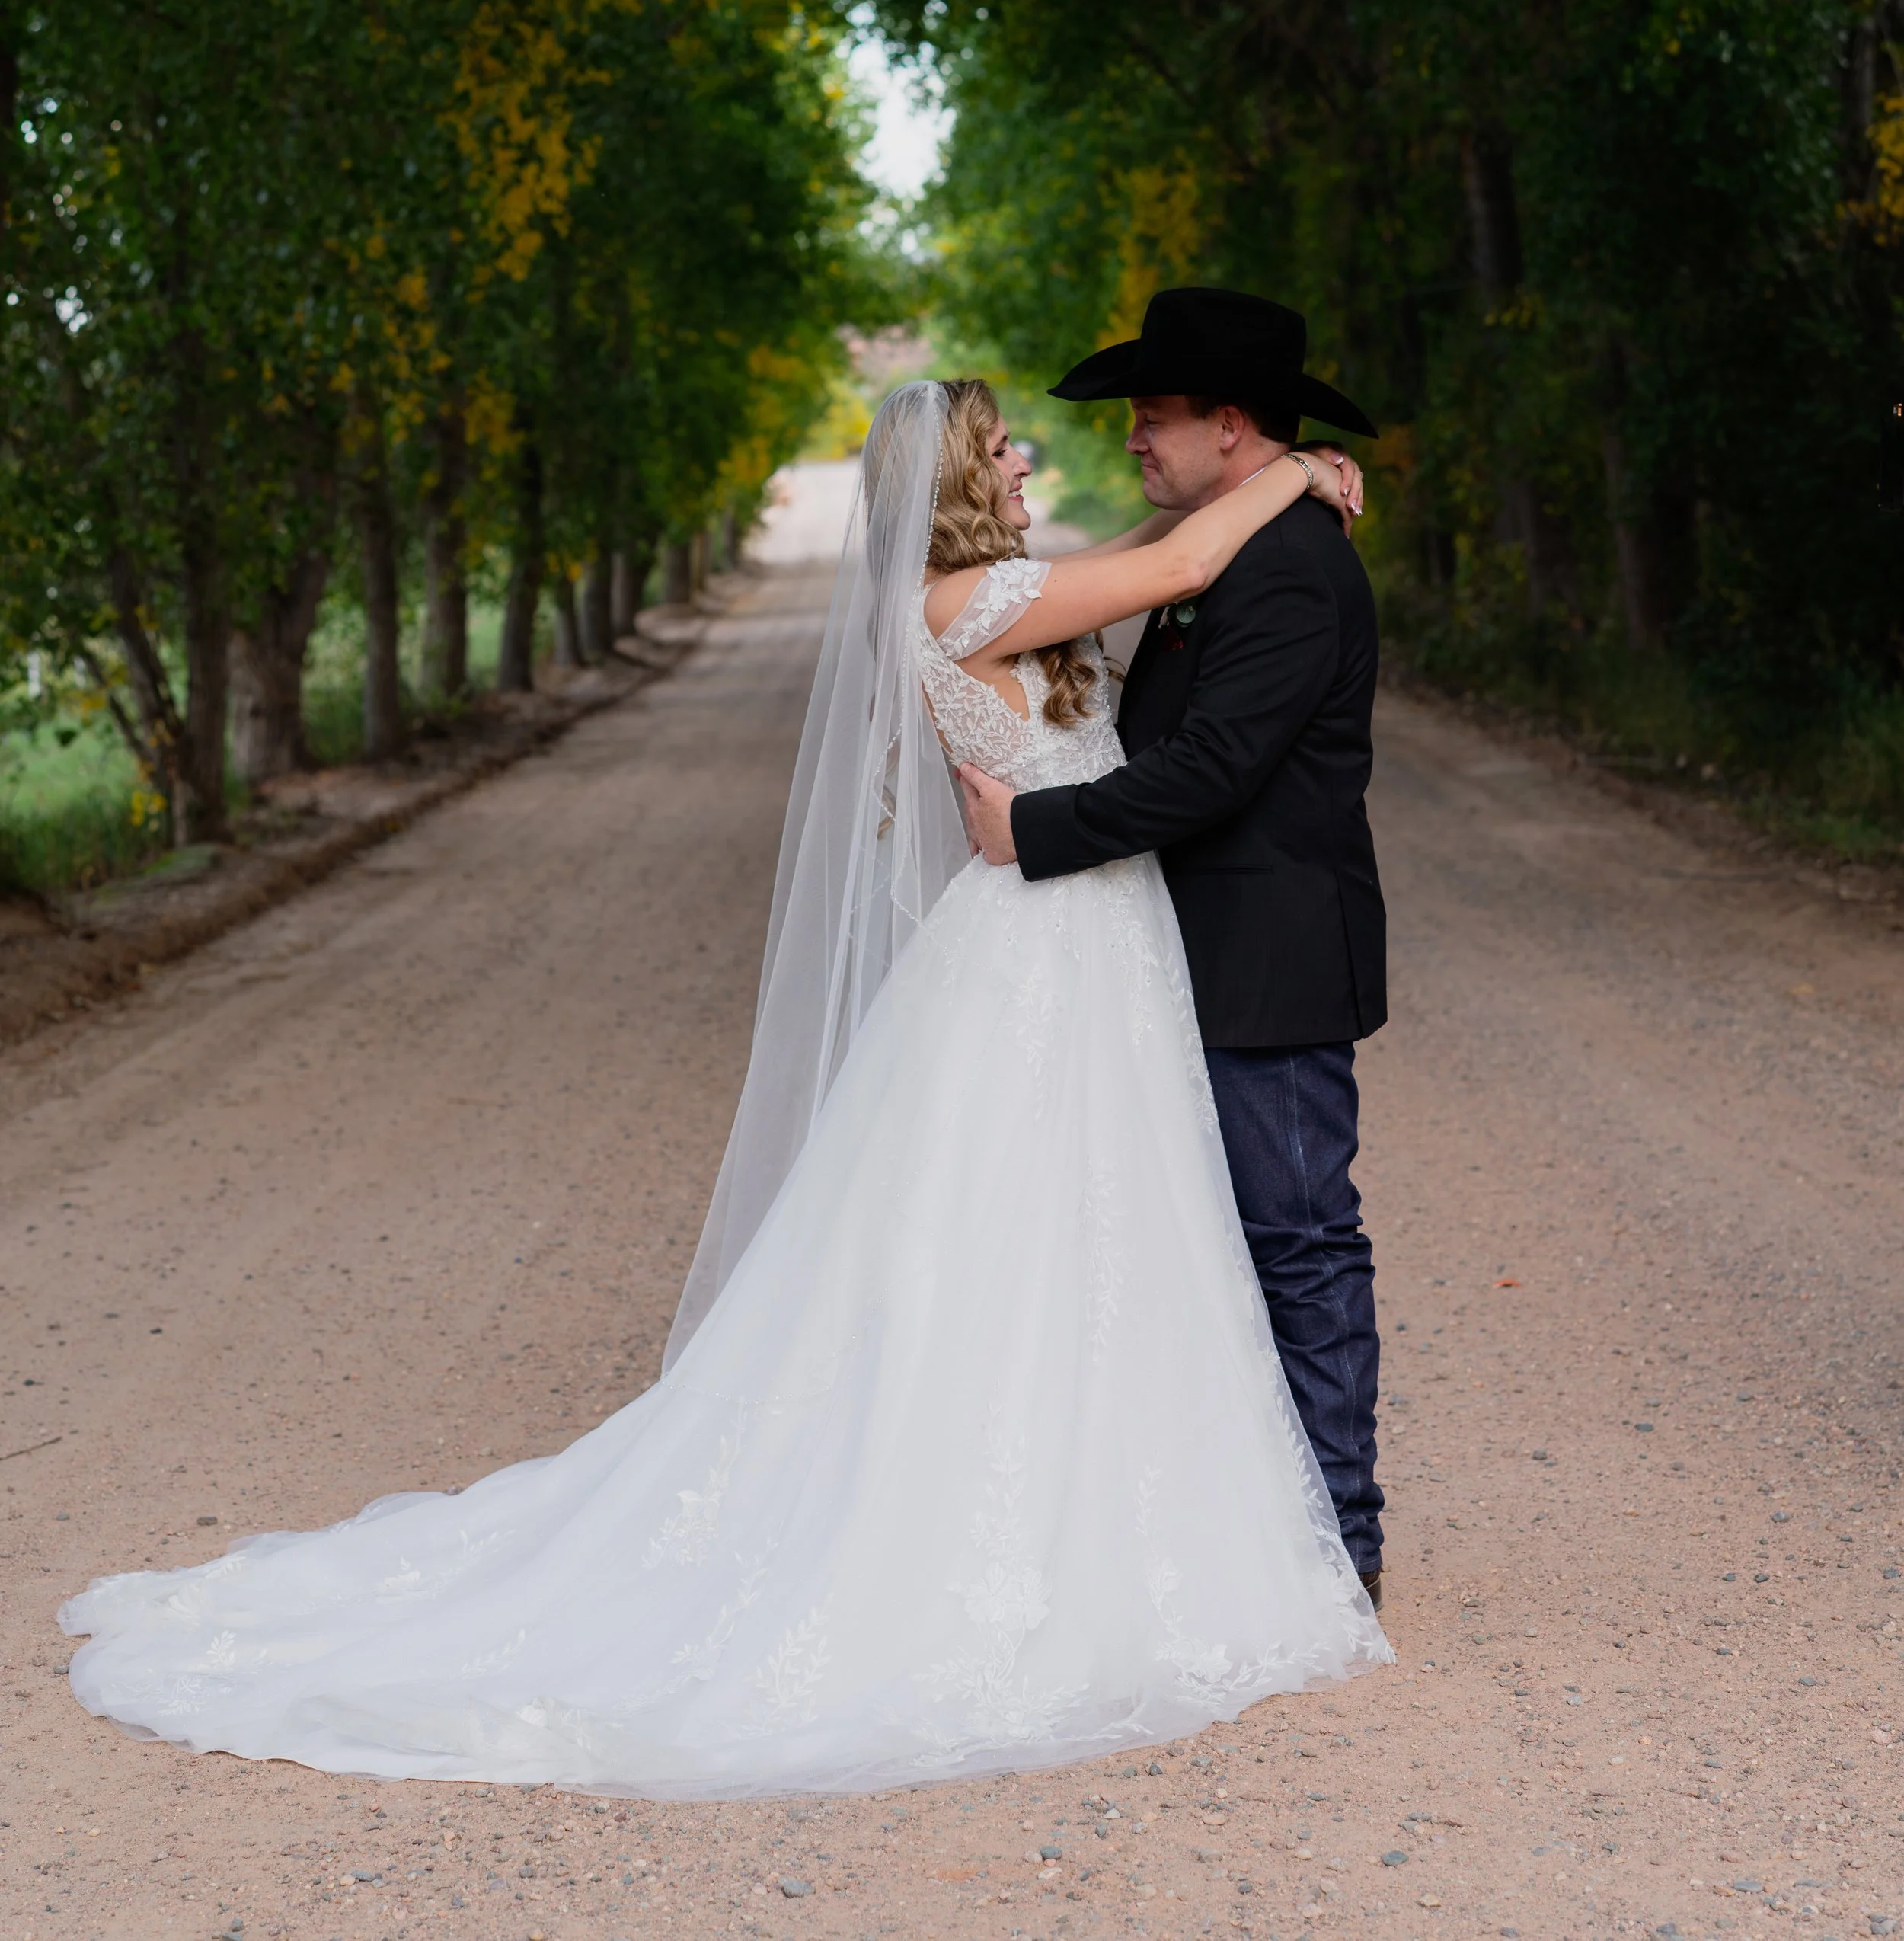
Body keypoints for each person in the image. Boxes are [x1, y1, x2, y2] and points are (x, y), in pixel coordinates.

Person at [61, 376, 1388, 1799]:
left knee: (1099, 1235)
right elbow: (1181, 559)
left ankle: (1130, 1497)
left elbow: (1156, 551)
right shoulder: (959, 604)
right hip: (1048, 951)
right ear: (953, 475)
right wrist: (1303, 469)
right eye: (999, 442)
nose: (1026, 454)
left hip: (1091, 946)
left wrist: (1268, 477)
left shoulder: (998, 587)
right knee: (1027, 1235)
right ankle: (1023, 1519)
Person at [957, 287, 1389, 1601]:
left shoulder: (1298, 571)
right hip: (1171, 960)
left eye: (1155, 415)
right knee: (1191, 1247)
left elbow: (1208, 771)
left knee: (1297, 1238)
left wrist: (1034, 828)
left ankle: (1342, 1546)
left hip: (1268, 966)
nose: (1133, 438)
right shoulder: (1231, 543)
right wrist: (1303, 470)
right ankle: (1243, 1525)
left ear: (1231, 425)